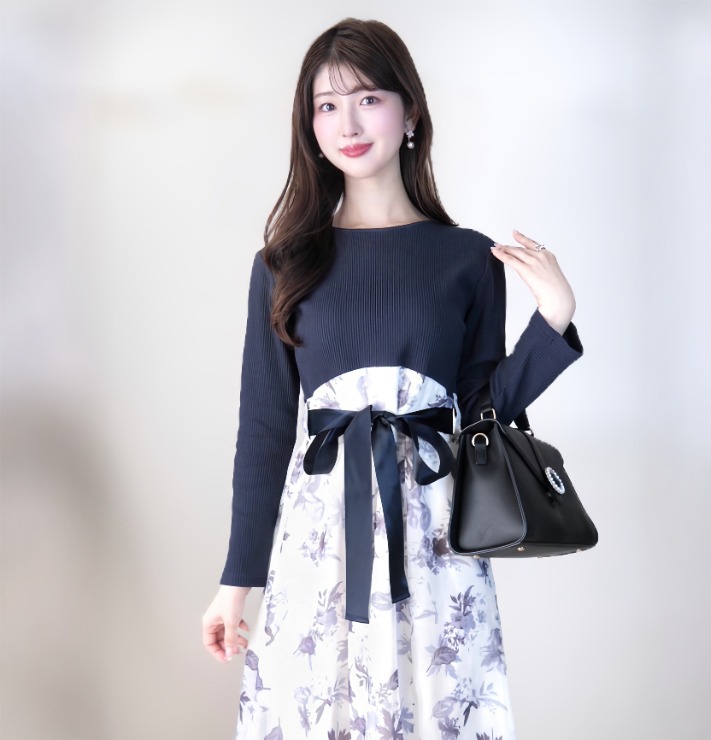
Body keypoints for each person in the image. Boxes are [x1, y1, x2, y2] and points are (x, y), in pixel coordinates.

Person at [202, 16, 582, 740]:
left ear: (410, 113)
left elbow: (483, 416)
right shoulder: (282, 265)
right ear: (309, 125)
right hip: (320, 545)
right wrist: (236, 583)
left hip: (433, 538)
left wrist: (554, 320)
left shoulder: (468, 259)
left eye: (368, 98)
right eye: (327, 105)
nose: (347, 123)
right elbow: (264, 432)